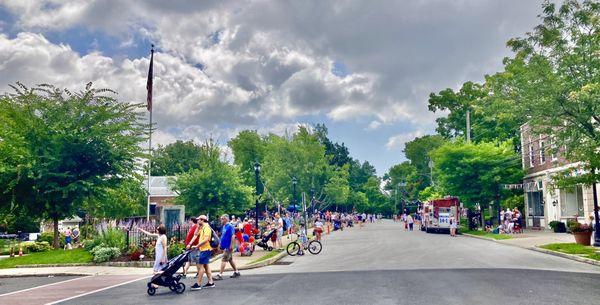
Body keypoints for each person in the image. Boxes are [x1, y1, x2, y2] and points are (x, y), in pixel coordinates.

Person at [187, 215, 215, 290]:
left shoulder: (206, 228)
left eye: (199, 220)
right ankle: (211, 282)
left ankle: (198, 284)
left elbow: (206, 239)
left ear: (202, 220)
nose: (197, 221)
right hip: (204, 249)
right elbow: (195, 235)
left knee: (201, 266)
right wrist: (190, 244)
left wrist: (197, 246)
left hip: (205, 249)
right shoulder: (202, 227)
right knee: (206, 266)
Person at [214, 214, 240, 280]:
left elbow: (233, 236)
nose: (221, 220)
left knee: (224, 259)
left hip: (228, 246)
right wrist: (220, 244)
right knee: (230, 259)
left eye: (222, 219)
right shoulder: (224, 226)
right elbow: (223, 236)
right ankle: (236, 272)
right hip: (225, 246)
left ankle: (220, 275)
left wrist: (231, 245)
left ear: (226, 219)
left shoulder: (230, 226)